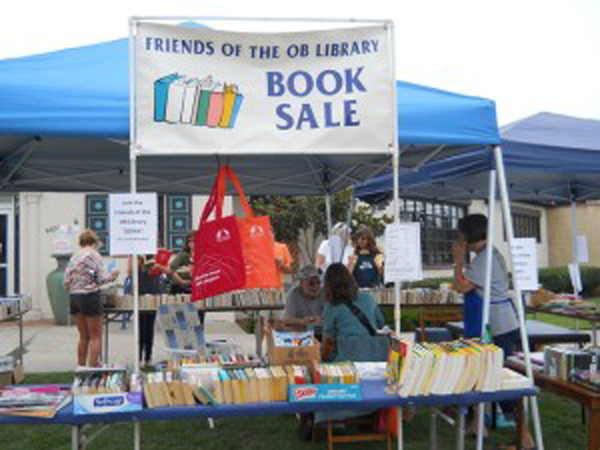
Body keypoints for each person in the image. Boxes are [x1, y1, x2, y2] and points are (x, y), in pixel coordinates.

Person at [452, 214, 533, 448]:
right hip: (496, 323)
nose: (459, 240)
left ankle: (525, 438)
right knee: (480, 373)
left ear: (468, 237)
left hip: (498, 326)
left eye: (461, 236)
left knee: (504, 380)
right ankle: (479, 423)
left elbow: (460, 285)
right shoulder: (487, 255)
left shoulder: (485, 260)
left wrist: (458, 260)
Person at [64, 229, 119, 367]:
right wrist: (113, 276)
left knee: (83, 337)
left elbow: (65, 282)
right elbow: (101, 279)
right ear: (94, 242)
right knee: (95, 337)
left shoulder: (74, 257)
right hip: (90, 296)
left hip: (74, 297)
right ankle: (93, 368)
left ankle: (80, 368)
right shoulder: (94, 255)